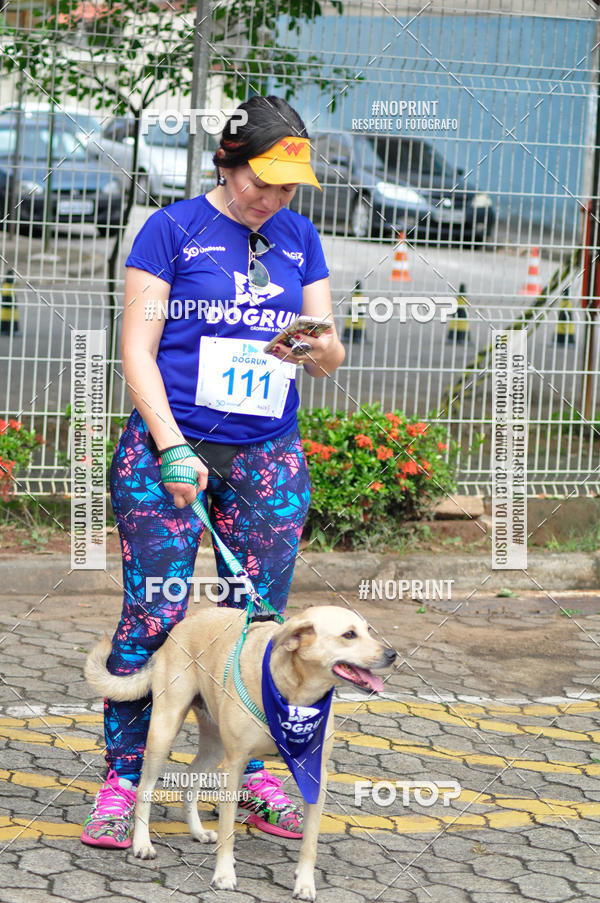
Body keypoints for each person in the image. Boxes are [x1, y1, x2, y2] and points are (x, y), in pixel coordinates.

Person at [80, 94, 345, 849]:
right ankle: (123, 781)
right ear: (227, 162)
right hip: (170, 448)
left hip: (269, 456)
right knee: (156, 617)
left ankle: (255, 775)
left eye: (291, 185)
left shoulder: (300, 237)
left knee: (262, 624)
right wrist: (169, 445)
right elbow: (136, 349)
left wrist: (312, 348)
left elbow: (330, 352)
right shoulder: (170, 231)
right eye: (265, 181)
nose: (278, 198)